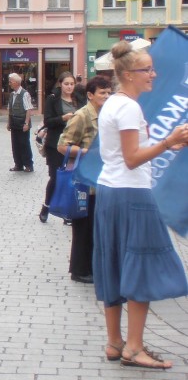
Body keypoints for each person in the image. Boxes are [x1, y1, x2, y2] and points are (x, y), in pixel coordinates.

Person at [94, 41, 188, 369]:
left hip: (110, 191)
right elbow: (133, 159)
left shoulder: (113, 104)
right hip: (132, 194)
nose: (153, 74)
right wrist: (169, 142)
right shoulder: (130, 108)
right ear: (129, 75)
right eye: (147, 69)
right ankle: (134, 347)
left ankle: (115, 341)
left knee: (114, 263)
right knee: (141, 267)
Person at [57, 76, 112, 284]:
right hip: (84, 181)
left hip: (102, 181)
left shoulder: (107, 115)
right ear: (90, 95)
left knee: (97, 227)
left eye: (109, 92)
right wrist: (88, 152)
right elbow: (63, 146)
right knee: (83, 227)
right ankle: (79, 270)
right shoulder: (82, 116)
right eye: (102, 93)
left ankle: (92, 267)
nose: (106, 96)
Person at [39, 72, 80, 223]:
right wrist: (63, 118)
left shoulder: (78, 100)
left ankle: (66, 211)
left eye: (72, 84)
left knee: (71, 179)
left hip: (74, 144)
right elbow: (48, 121)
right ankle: (46, 206)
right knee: (56, 178)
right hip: (55, 144)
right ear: (60, 84)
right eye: (66, 84)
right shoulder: (52, 99)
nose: (69, 87)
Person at [6, 73, 34, 173]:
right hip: (14, 124)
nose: (9, 83)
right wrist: (9, 123)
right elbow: (10, 110)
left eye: (10, 82)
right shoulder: (12, 94)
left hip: (22, 124)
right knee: (15, 145)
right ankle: (18, 164)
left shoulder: (25, 93)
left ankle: (28, 165)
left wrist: (26, 123)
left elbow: (28, 109)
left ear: (16, 82)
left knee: (24, 144)